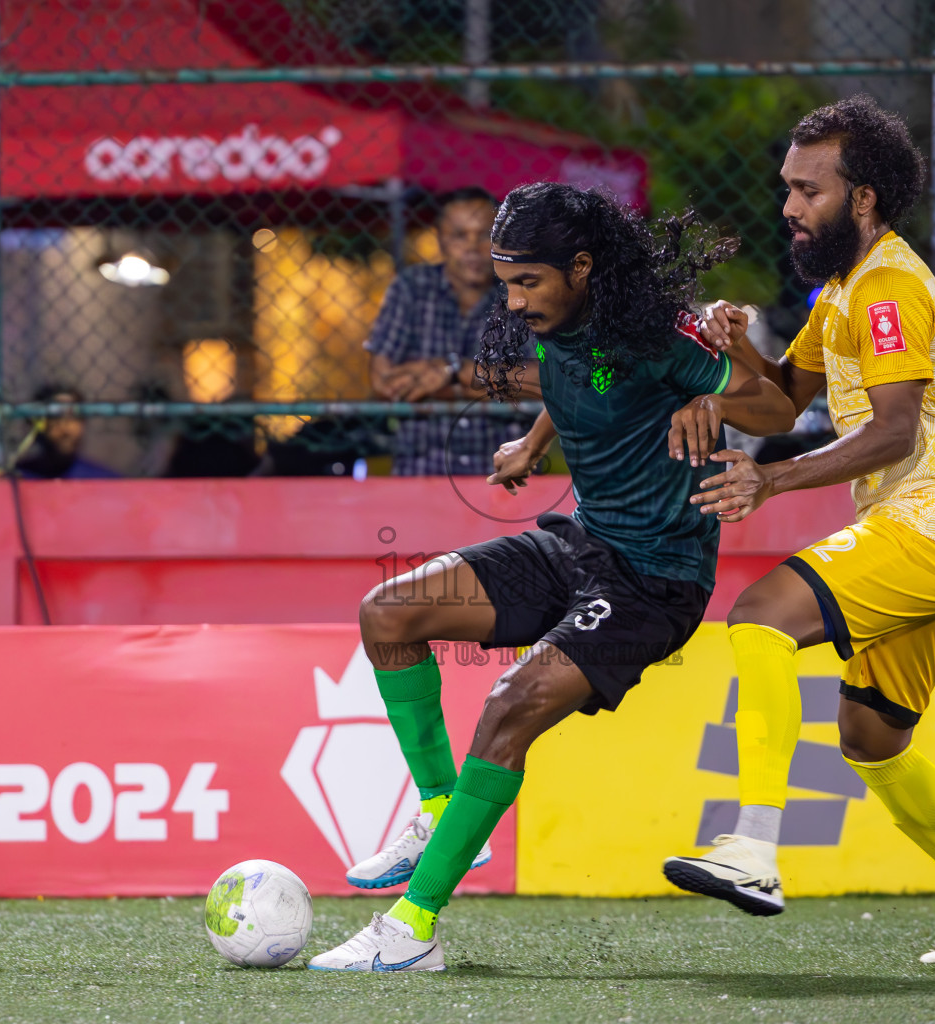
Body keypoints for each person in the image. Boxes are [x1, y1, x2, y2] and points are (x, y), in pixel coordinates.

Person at [308, 182, 796, 972]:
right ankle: (441, 814)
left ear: (580, 266)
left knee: (509, 707)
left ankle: (409, 933)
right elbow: (580, 384)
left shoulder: (658, 335)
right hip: (579, 545)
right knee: (388, 613)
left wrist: (719, 396)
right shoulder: (556, 323)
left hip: (652, 580)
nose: (513, 298)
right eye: (505, 280)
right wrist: (536, 444)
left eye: (526, 280)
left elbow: (777, 412)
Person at [660, 96, 935, 965]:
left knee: (761, 614)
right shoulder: (843, 286)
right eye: (787, 188)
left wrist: (769, 479)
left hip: (933, 523)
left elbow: (892, 433)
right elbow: (779, 398)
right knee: (872, 738)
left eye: (808, 190)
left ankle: (754, 849)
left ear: (864, 197)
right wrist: (736, 349)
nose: (790, 207)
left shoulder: (885, 288)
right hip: (930, 534)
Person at [366, 186, 531, 476]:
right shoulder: (411, 289)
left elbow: (548, 382)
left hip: (504, 474)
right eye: (458, 235)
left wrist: (451, 373)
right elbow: (384, 382)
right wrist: (495, 384)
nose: (472, 247)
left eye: (483, 235)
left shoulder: (522, 295)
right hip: (421, 472)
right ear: (440, 238)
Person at [15, 385, 119, 480]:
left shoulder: (103, 481)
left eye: (73, 418)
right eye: (55, 418)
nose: (65, 429)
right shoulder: (18, 479)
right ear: (38, 424)